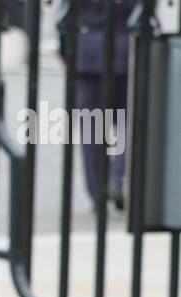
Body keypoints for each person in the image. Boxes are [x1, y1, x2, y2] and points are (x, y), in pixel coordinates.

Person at [57, 0, 141, 209]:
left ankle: (98, 191)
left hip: (88, 52)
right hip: (125, 51)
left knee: (92, 130)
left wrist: (64, 49)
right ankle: (119, 179)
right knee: (127, 124)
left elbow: (65, 16)